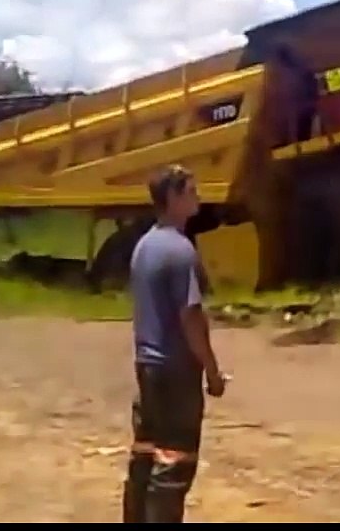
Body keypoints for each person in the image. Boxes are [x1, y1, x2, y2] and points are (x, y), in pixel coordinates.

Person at [122, 165, 227, 523]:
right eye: (191, 191)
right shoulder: (181, 251)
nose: (198, 197)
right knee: (174, 464)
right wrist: (212, 370)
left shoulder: (144, 246)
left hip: (148, 367)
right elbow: (191, 316)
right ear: (172, 198)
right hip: (176, 371)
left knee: (145, 455)